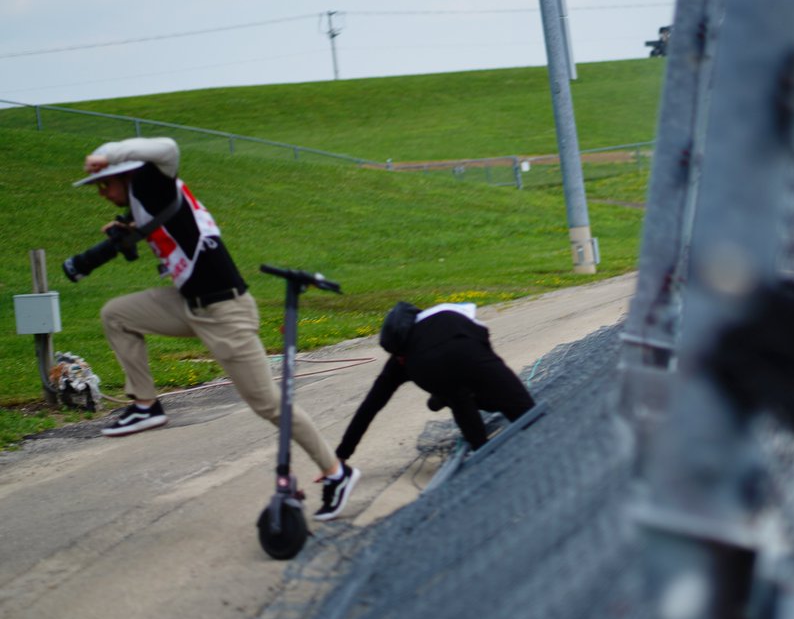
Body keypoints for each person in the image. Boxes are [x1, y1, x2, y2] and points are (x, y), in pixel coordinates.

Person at [73, 136, 359, 521]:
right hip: (190, 305)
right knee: (116, 314)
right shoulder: (142, 203)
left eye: (104, 184)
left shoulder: (152, 182)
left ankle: (337, 473)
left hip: (225, 312)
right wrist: (124, 231)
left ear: (124, 174)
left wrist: (108, 155)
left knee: (271, 405)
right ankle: (146, 405)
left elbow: (169, 147)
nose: (102, 193)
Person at [335, 300, 536, 462]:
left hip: (432, 373)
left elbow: (370, 405)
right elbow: (485, 343)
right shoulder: (447, 314)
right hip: (467, 354)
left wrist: (341, 455)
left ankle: (444, 400)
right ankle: (445, 398)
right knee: (526, 414)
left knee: (460, 401)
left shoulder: (400, 360)